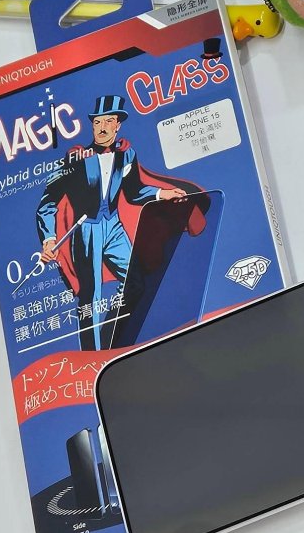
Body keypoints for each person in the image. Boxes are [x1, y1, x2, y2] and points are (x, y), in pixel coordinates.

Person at [36, 95, 192, 351]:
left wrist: (162, 194)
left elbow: (134, 192)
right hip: (87, 231)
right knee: (91, 296)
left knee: (136, 282)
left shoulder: (126, 154)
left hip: (114, 226)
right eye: (98, 122)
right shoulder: (76, 158)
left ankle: (116, 337)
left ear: (118, 125)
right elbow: (47, 203)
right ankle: (92, 356)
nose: (103, 127)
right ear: (92, 125)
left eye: (109, 121)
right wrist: (49, 239)